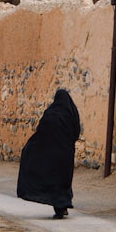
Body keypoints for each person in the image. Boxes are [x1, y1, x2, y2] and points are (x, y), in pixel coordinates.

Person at [17, 88, 81, 219]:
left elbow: (41, 133)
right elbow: (76, 133)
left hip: (52, 156)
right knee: (64, 180)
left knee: (53, 179)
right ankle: (63, 206)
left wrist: (29, 149)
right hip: (66, 155)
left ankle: (60, 207)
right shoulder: (72, 114)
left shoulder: (50, 113)